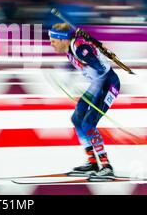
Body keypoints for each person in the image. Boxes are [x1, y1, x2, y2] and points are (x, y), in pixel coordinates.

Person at [48, 23, 120, 176]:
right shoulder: (70, 51)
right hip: (97, 86)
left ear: (62, 40)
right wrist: (64, 75)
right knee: (76, 119)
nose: (51, 44)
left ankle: (106, 167)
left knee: (88, 124)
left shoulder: (80, 49)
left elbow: (101, 71)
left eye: (53, 40)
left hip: (108, 85)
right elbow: (79, 66)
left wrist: (90, 92)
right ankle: (92, 163)